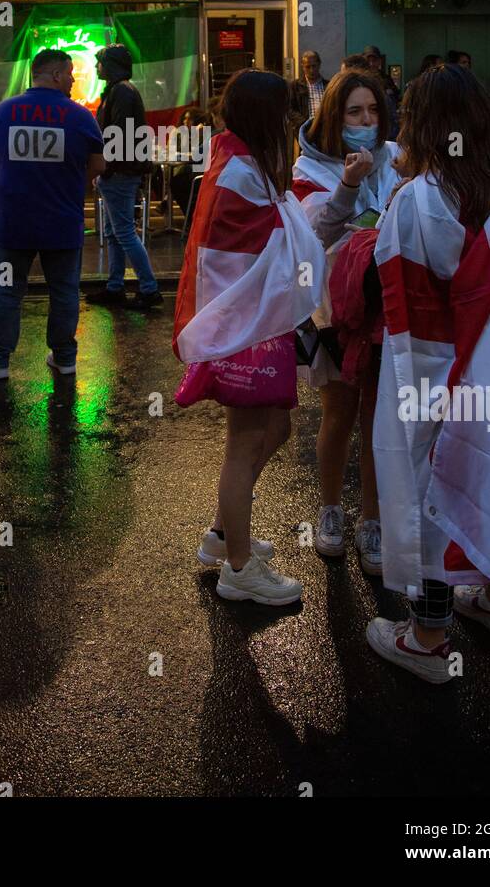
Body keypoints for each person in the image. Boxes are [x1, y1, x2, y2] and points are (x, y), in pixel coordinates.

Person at [366, 65, 490, 683]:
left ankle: (427, 637)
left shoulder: (416, 199)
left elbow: (387, 288)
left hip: (431, 366)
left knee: (429, 488)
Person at [173, 70, 325, 605]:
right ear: (266, 117)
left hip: (252, 320)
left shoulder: (238, 161)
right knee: (243, 444)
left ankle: (222, 535)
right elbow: (276, 245)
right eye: (285, 111)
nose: (291, 121)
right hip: (247, 325)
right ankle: (238, 568)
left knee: (276, 429)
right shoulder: (243, 171)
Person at [292, 70, 402, 576]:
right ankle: (331, 510)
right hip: (335, 312)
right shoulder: (308, 169)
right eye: (354, 112)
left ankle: (373, 520)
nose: (365, 122)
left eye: (372, 111)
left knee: (379, 419)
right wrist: (347, 186)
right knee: (338, 413)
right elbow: (315, 233)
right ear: (335, 117)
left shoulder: (397, 158)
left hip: (387, 308)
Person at [0, 49, 105, 380]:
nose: (74, 81)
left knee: (6, 290)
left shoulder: (4, 111)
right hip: (61, 225)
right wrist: (68, 179)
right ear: (57, 75)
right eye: (71, 74)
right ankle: (64, 358)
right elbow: (98, 165)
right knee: (64, 291)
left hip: (12, 226)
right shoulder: (80, 117)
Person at [86, 44, 162, 310]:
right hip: (118, 170)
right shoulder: (121, 91)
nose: (97, 67)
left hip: (119, 172)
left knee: (124, 232)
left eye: (100, 63)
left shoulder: (121, 92)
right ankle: (115, 286)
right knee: (114, 232)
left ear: (111, 66)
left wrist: (103, 167)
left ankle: (149, 288)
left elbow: (117, 134)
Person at [362, 45, 400, 137]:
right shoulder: (360, 80)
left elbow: (396, 99)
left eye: (374, 60)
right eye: (368, 61)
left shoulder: (387, 79)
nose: (371, 64)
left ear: (379, 61)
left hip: (389, 130)